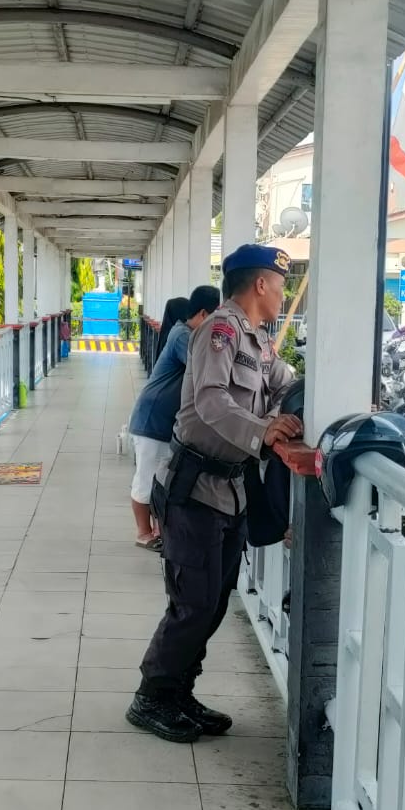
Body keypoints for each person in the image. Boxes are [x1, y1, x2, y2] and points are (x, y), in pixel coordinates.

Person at [130, 244, 300, 743]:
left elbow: (283, 384)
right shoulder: (220, 332)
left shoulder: (259, 341)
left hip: (230, 490)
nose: (284, 293)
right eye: (280, 282)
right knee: (193, 602)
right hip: (195, 488)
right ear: (261, 284)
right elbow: (209, 401)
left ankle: (180, 691)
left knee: (215, 600)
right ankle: (152, 696)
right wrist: (263, 432)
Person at [127, 287, 221, 549]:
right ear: (203, 313)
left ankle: (159, 531)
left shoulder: (186, 333)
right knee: (146, 479)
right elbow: (205, 366)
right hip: (152, 420)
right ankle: (143, 533)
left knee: (161, 479)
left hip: (164, 421)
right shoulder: (183, 335)